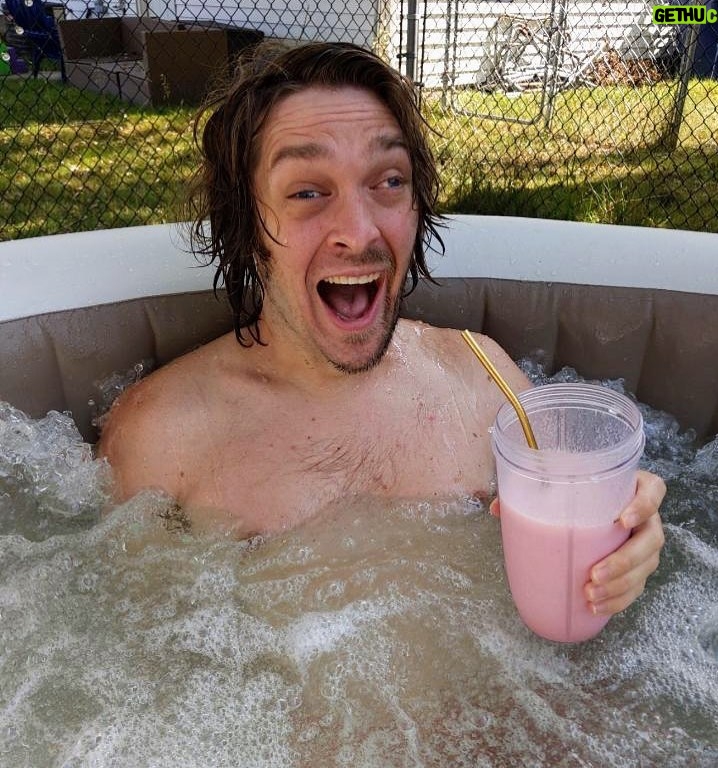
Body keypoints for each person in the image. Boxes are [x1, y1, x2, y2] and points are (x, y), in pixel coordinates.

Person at [98, 41, 665, 618]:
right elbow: (143, 656)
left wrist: (628, 535)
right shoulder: (162, 438)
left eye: (388, 181)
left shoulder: (482, 378)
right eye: (308, 192)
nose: (359, 230)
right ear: (247, 225)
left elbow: (585, 515)